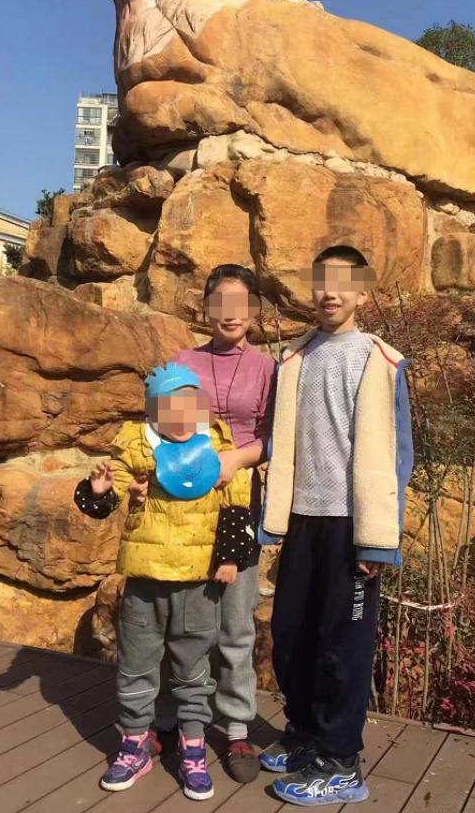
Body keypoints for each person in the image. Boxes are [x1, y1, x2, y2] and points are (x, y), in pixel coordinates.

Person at [259, 246, 414, 807]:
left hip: (352, 526)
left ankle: (341, 760)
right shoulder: (295, 357)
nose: (331, 292)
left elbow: (396, 454)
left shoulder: (379, 360)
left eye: (344, 283)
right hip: (303, 518)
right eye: (322, 281)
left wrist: (379, 540)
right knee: (291, 635)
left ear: (362, 293)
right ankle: (305, 734)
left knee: (342, 646)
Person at [74, 363, 254, 802]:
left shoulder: (216, 445)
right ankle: (135, 743)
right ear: (154, 411)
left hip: (196, 582)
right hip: (145, 580)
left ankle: (193, 749)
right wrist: (98, 491)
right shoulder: (138, 445)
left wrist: (230, 557)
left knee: (194, 670)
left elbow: (236, 504)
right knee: (136, 665)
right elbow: (112, 488)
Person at [151, 264, 275, 784]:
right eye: (220, 302)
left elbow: (273, 435)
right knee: (180, 618)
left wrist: (236, 459)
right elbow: (156, 424)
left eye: (240, 303)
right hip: (184, 505)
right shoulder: (183, 361)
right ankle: (175, 719)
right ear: (206, 308)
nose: (230, 313)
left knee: (236, 620)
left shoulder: (267, 368)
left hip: (240, 503)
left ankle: (238, 726)